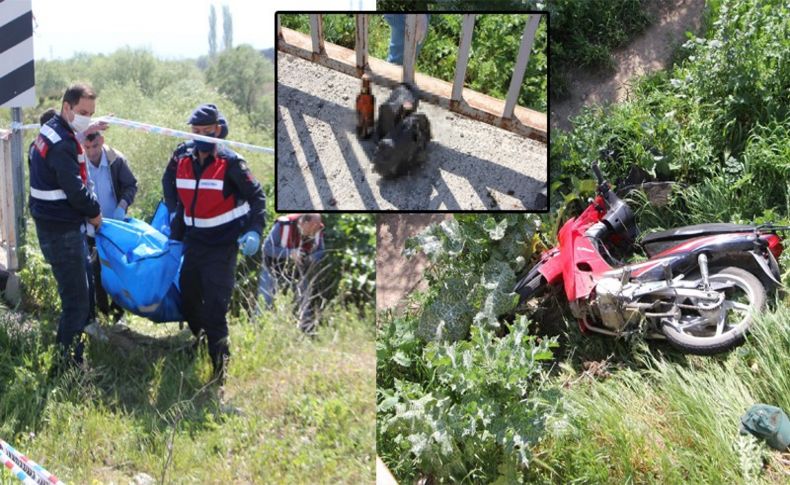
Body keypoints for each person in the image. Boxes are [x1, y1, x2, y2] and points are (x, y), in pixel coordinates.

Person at [169, 103, 266, 384]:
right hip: (194, 243)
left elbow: (257, 198)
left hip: (222, 247)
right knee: (187, 299)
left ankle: (219, 374)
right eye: (195, 131)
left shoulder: (232, 163)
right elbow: (169, 183)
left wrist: (254, 232)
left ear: (218, 131)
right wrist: (175, 212)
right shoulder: (182, 157)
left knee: (215, 310)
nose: (199, 136)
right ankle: (199, 340)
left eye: (206, 131)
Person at [28, 83, 104, 370]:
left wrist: (89, 126)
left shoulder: (52, 131)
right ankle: (66, 368)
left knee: (78, 295)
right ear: (67, 107)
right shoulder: (63, 143)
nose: (86, 118)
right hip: (61, 231)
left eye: (91, 113)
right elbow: (74, 189)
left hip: (54, 226)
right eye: (82, 112)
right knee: (77, 302)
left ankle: (71, 359)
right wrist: (95, 213)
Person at [82, 131, 138, 323]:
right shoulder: (79, 163)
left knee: (116, 270)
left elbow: (131, 185)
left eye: (95, 146)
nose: (91, 152)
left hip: (114, 228)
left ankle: (118, 314)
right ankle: (103, 313)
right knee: (96, 272)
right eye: (87, 147)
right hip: (90, 228)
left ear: (102, 141)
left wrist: (122, 206)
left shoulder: (116, 160)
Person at [258, 213, 325, 334]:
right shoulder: (283, 224)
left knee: (304, 301)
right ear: (304, 223)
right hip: (272, 268)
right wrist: (290, 253)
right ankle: (257, 331)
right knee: (265, 301)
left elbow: (321, 251)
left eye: (315, 229)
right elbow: (266, 248)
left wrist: (310, 258)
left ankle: (307, 334)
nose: (313, 233)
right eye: (311, 229)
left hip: (298, 271)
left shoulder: (317, 229)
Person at [162, 105, 229, 216]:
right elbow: (167, 179)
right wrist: (172, 210)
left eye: (208, 132)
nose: (203, 138)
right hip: (182, 215)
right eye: (197, 132)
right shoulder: (183, 152)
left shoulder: (227, 160)